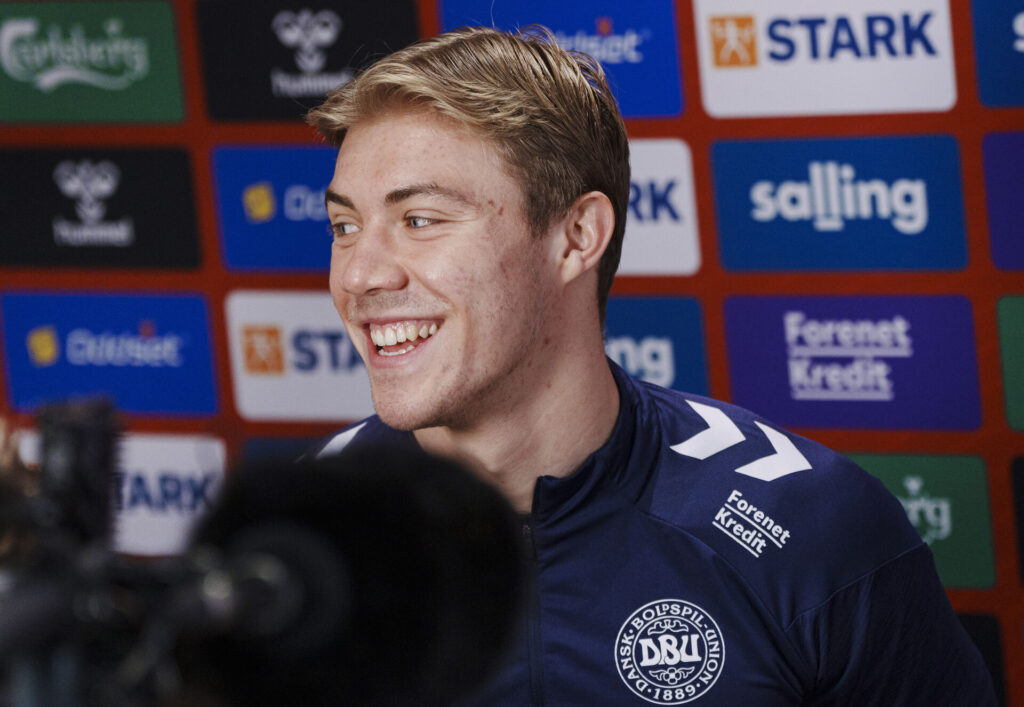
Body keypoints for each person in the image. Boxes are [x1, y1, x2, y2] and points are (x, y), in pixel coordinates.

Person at [305, 26, 996, 705]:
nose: (359, 274)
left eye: (421, 219)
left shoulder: (807, 524)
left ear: (577, 236)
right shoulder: (298, 530)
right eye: (344, 227)